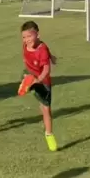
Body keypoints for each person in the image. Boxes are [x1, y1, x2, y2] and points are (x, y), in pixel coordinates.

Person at [17, 20, 58, 152]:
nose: (27, 40)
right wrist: (52, 56)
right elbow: (45, 46)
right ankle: (26, 83)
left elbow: (46, 70)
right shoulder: (26, 45)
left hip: (42, 81)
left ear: (37, 35)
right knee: (46, 110)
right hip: (33, 77)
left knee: (44, 109)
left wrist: (38, 79)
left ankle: (49, 134)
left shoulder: (42, 50)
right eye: (24, 37)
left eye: (29, 36)